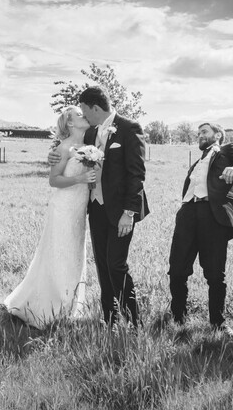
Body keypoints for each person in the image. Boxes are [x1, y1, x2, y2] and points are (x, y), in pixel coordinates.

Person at [49, 86, 149, 326]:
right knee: (103, 265)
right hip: (96, 208)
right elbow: (67, 148)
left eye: (84, 109)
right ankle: (110, 319)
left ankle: (135, 321)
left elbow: (137, 174)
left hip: (121, 210)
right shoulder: (91, 133)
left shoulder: (129, 128)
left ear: (95, 107)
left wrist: (129, 213)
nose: (83, 115)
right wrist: (51, 156)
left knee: (116, 264)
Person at [4, 106, 96, 328]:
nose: (85, 115)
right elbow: (54, 180)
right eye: (79, 114)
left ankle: (70, 303)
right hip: (64, 207)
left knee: (74, 254)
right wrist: (81, 178)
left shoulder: (89, 146)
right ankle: (53, 306)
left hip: (79, 209)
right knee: (59, 253)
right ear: (71, 123)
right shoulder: (64, 148)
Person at [168, 123, 233, 337]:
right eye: (198, 133)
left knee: (215, 273)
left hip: (212, 215)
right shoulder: (199, 160)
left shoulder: (227, 150)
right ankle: (178, 317)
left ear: (218, 135)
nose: (200, 136)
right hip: (188, 213)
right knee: (177, 269)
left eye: (204, 132)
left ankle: (218, 322)